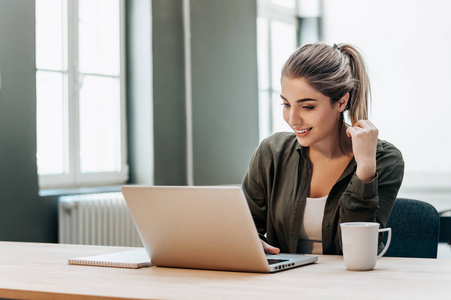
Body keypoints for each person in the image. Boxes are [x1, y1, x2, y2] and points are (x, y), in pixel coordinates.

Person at [242, 42, 404, 255]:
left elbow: (358, 251)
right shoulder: (272, 153)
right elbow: (244, 224)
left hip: (352, 286)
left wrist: (365, 169)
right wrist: (251, 241)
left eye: (307, 107)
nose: (293, 120)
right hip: (281, 284)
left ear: (341, 102)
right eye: (287, 105)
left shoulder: (384, 159)